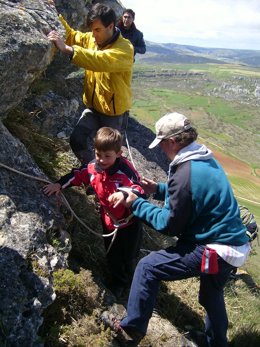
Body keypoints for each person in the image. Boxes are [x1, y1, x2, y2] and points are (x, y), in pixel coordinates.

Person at [103, 112, 251, 346]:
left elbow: (169, 225)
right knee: (210, 295)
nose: (161, 149)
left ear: (172, 141)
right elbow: (194, 194)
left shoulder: (185, 173)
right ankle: (216, 342)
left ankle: (129, 331)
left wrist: (136, 202)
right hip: (234, 244)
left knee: (148, 267)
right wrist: (159, 189)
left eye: (161, 143)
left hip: (214, 249)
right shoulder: (203, 157)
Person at [43, 127, 144, 298]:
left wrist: (125, 193)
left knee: (128, 253)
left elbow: (139, 189)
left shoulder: (125, 171)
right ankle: (118, 281)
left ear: (118, 153)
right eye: (98, 154)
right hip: (109, 220)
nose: (102, 160)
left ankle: (128, 276)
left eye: (107, 156)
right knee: (112, 253)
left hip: (130, 222)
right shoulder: (92, 168)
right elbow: (77, 175)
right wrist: (59, 184)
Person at [47, 3, 134, 164]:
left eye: (97, 30)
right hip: (93, 108)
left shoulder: (125, 49)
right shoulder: (92, 39)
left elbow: (100, 60)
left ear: (111, 26)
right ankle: (91, 173)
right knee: (77, 139)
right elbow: (72, 35)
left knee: (109, 154)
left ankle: (107, 182)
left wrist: (68, 50)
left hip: (113, 114)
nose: (93, 35)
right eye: (92, 30)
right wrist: (55, 14)